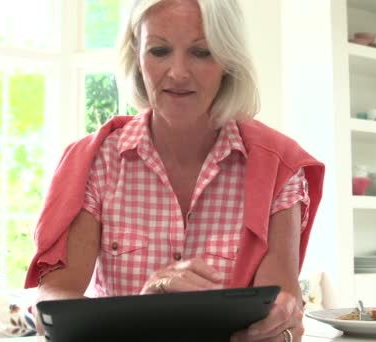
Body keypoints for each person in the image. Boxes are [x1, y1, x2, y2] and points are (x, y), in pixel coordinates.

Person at [24, 0, 325, 341]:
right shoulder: (94, 161)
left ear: (229, 59)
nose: (178, 72)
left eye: (201, 52)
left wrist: (282, 330)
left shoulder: (279, 168)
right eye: (160, 50)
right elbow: (53, 303)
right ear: (136, 55)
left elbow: (282, 307)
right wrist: (142, 309)